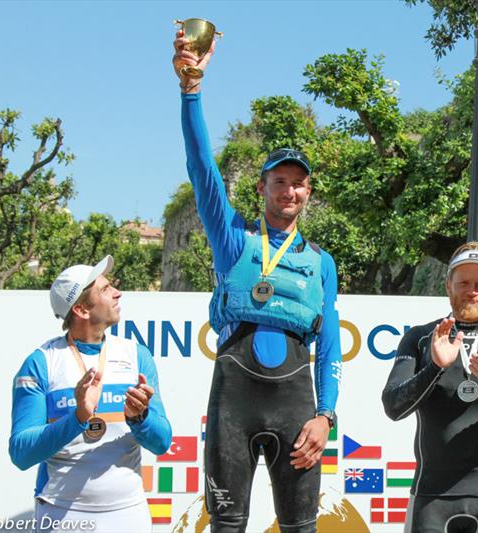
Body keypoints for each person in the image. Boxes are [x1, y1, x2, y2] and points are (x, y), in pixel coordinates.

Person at [172, 30, 341, 533]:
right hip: (234, 402)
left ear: (308, 191)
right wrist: (191, 92)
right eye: (280, 181)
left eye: (298, 183)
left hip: (297, 406)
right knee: (225, 526)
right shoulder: (234, 242)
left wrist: (325, 417)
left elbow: (329, 348)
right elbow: (201, 168)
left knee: (301, 528)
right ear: (262, 186)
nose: (289, 190)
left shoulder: (321, 262)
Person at [382, 242, 478, 533]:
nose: (472, 291)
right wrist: (435, 367)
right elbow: (393, 405)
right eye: (464, 282)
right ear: (448, 286)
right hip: (432, 498)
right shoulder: (420, 338)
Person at [9, 255, 172, 533]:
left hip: (128, 513)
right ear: (82, 309)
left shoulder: (136, 355)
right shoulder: (41, 362)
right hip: (61, 514)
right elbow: (21, 453)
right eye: (105, 289)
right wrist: (78, 417)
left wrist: (140, 418)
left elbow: (162, 442)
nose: (117, 292)